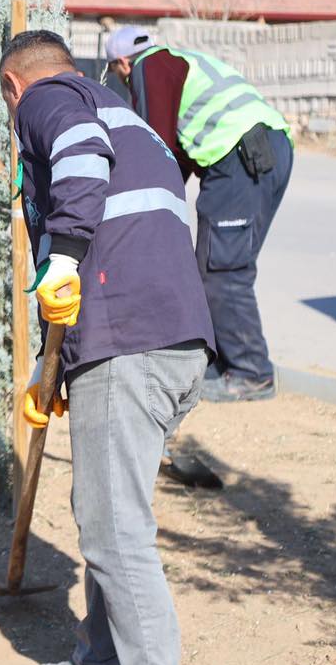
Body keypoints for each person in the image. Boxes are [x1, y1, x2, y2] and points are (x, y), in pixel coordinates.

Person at [2, 30, 215, 665]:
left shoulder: (49, 99)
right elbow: (118, 243)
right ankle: (102, 660)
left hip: (131, 344)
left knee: (114, 526)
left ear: (12, 86)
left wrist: (58, 257)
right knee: (106, 508)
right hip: (170, 339)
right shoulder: (122, 111)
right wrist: (53, 367)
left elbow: (78, 178)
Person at [105, 26, 293, 403]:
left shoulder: (149, 67)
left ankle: (251, 373)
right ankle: (225, 364)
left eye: (119, 74)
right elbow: (179, 152)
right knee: (222, 264)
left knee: (221, 269)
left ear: (122, 63)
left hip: (239, 156)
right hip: (267, 149)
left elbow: (155, 143)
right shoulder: (181, 61)